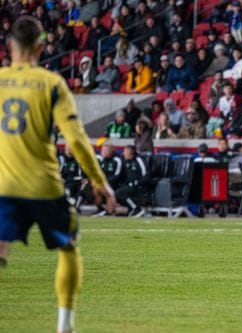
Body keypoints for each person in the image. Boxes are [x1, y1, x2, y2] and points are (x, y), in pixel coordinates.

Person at [0, 16, 115, 333]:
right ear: (40, 47)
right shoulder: (52, 84)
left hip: (3, 185)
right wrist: (98, 180)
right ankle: (65, 326)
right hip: (43, 185)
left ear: (10, 45)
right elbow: (76, 139)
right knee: (68, 245)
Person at [114, 145, 149, 218]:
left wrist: (136, 183)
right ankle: (128, 210)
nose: (123, 154)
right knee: (115, 192)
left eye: (125, 152)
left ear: (131, 154)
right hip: (129, 186)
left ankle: (137, 209)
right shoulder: (125, 161)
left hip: (140, 187)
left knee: (120, 193)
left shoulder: (139, 160)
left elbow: (146, 176)